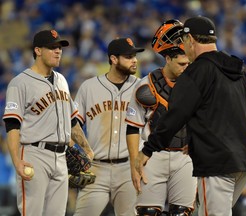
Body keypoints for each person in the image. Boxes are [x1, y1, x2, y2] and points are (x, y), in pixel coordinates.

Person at [134, 16, 246, 216]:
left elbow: (175, 116)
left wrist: (147, 150)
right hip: (244, 162)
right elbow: (235, 114)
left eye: (184, 42)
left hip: (217, 163)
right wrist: (193, 140)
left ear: (190, 40)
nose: (184, 47)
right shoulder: (237, 69)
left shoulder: (197, 71)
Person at [2, 29, 94, 216]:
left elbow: (73, 121)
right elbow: (12, 125)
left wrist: (88, 149)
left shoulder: (61, 80)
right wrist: (16, 161)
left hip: (61, 157)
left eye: (59, 48)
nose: (58, 51)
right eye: (52, 47)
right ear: (37, 50)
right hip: (34, 155)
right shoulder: (20, 83)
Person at [125, 19, 197, 215]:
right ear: (168, 59)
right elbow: (132, 127)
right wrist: (134, 163)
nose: (185, 67)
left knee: (182, 212)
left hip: (185, 156)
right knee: (148, 212)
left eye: (188, 63)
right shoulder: (145, 85)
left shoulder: (196, 84)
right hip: (152, 156)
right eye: (181, 63)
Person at [73, 37, 144, 216]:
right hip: (96, 168)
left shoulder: (142, 88)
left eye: (135, 55)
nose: (134, 60)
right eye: (128, 56)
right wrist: (84, 151)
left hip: (130, 169)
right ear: (113, 59)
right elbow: (73, 124)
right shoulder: (88, 87)